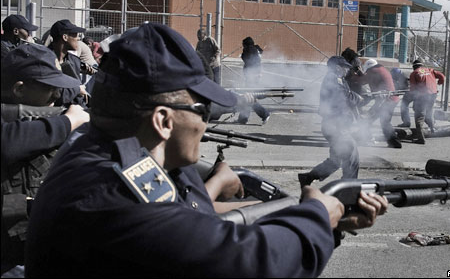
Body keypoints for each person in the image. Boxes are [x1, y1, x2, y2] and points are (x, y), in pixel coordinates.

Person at [25, 23, 387, 278]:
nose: (206, 123)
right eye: (203, 111)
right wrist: (317, 215)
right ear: (163, 121)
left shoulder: (109, 148)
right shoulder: (112, 195)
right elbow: (254, 264)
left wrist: (328, 220)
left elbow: (188, 216)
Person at [1, 43, 89, 275]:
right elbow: (7, 143)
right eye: (50, 88)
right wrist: (67, 123)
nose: (57, 94)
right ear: (19, 90)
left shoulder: (36, 112)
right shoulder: (14, 129)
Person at [298, 56, 363, 187]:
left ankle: (308, 177)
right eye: (345, 67)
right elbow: (344, 98)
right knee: (352, 155)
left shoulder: (337, 79)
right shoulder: (333, 79)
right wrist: (358, 98)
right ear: (338, 67)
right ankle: (349, 188)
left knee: (336, 161)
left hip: (334, 125)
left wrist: (360, 98)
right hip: (336, 126)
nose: (346, 70)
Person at [355, 59, 402, 148]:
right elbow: (368, 78)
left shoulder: (373, 71)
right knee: (384, 122)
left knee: (369, 119)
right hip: (391, 99)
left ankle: (364, 138)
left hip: (385, 101)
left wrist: (355, 74)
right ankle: (394, 143)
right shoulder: (382, 69)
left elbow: (362, 81)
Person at [48, 19, 90, 107]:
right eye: (75, 35)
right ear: (65, 37)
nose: (78, 39)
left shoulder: (74, 61)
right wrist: (77, 90)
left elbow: (78, 93)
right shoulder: (44, 60)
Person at [409, 59, 445, 144]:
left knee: (419, 116)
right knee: (429, 112)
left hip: (423, 96)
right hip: (433, 94)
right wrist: (440, 82)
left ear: (414, 67)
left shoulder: (414, 73)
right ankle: (433, 129)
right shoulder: (430, 70)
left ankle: (421, 138)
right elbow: (442, 76)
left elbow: (413, 89)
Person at [238, 36, 271, 125]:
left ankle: (264, 114)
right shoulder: (256, 48)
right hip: (255, 76)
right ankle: (243, 118)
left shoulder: (249, 50)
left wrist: (243, 53)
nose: (243, 47)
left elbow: (245, 59)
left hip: (251, 77)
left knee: (250, 97)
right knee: (248, 96)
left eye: (243, 45)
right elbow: (260, 52)